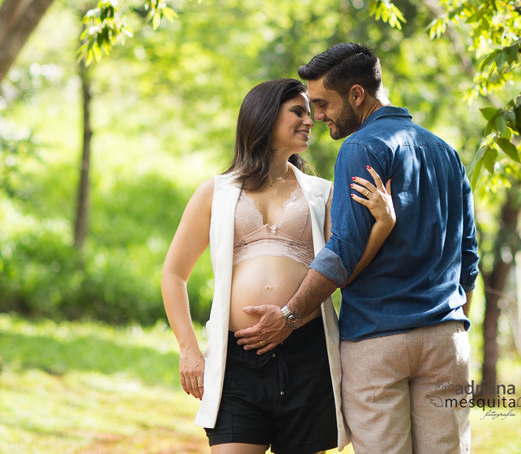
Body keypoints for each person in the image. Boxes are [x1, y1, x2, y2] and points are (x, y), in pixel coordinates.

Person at [233, 43, 479, 454]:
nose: (318, 116)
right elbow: (468, 255)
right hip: (446, 338)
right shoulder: (447, 153)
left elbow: (344, 248)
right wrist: (449, 323)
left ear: (357, 95)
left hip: (377, 341)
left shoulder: (361, 148)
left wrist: (291, 315)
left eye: (323, 104)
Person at [161, 78, 395, 454]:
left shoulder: (322, 193)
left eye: (310, 112)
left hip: (307, 355)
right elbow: (174, 275)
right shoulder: (215, 192)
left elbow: (345, 271)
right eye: (298, 112)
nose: (310, 120)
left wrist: (382, 226)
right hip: (237, 361)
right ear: (266, 116)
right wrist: (188, 349)